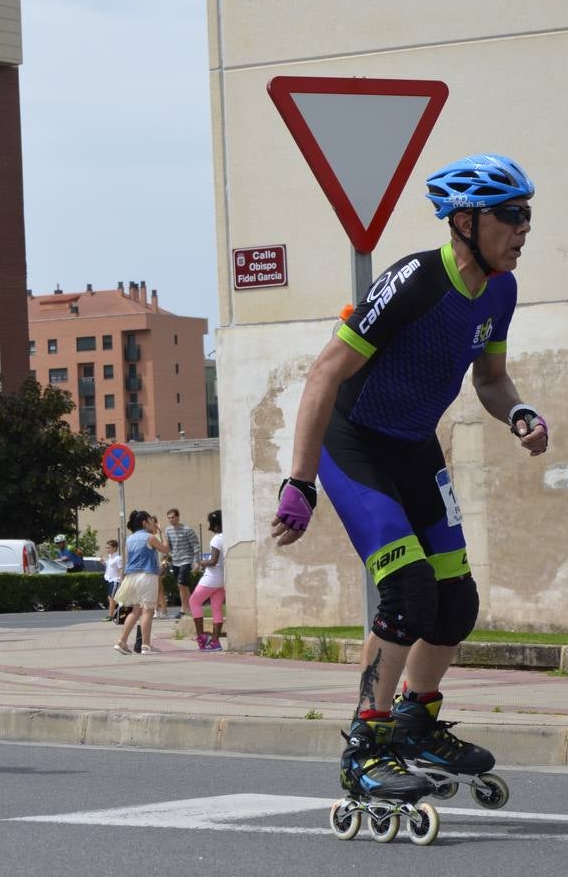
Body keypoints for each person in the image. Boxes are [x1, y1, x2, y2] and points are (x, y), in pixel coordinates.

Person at [272, 154, 549, 799]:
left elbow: (490, 379)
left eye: (527, 215)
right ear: (464, 222)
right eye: (510, 215)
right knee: (407, 591)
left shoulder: (501, 290)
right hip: (355, 446)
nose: (523, 228)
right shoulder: (413, 282)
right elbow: (322, 374)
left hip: (415, 448)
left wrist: (520, 412)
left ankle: (416, 721)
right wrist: (300, 481)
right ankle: (365, 747)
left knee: (456, 600)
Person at [112, 510, 170, 655]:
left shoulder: (130, 539)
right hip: (147, 575)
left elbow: (126, 561)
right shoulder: (150, 537)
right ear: (145, 522)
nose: (154, 524)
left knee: (136, 610)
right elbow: (166, 550)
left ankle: (122, 641)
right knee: (148, 610)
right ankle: (146, 645)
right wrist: (162, 534)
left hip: (131, 577)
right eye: (151, 521)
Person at [190, 509, 224, 651]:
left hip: (212, 577)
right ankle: (215, 641)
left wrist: (200, 563)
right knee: (217, 609)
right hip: (223, 578)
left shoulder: (216, 538)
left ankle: (201, 636)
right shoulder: (229, 536)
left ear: (214, 525)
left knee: (194, 601)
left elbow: (213, 561)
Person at [163, 508, 201, 619]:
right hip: (175, 561)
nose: (171, 519)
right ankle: (191, 608)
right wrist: (165, 559)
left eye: (173, 517)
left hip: (186, 560)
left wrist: (196, 561)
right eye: (169, 518)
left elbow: (195, 545)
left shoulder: (187, 529)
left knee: (181, 584)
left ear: (178, 517)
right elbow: (168, 546)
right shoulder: (168, 530)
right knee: (183, 587)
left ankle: (183, 609)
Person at [102, 538, 123, 621]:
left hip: (115, 580)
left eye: (108, 548)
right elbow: (109, 567)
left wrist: (121, 580)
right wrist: (103, 562)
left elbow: (121, 569)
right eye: (106, 548)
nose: (107, 549)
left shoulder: (118, 558)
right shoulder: (110, 557)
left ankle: (110, 615)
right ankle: (115, 613)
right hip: (109, 579)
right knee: (110, 598)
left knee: (112, 598)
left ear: (114, 548)